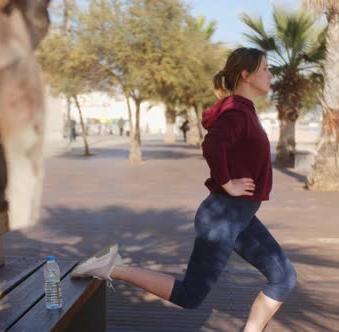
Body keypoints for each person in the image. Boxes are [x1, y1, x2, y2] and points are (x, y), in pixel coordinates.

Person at [71, 48, 296, 332]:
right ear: (245, 75)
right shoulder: (237, 112)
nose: (270, 74)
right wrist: (228, 183)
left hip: (237, 217)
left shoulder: (243, 110)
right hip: (223, 219)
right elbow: (213, 146)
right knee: (190, 295)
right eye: (265, 68)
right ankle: (114, 268)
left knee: (284, 278)